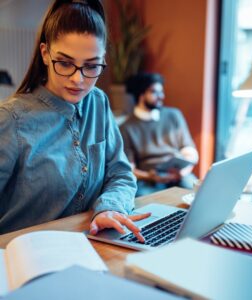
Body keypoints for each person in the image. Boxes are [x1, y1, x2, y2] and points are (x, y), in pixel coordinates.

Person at [0, 0, 150, 240]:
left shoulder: (98, 103)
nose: (78, 79)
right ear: (46, 54)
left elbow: (120, 173)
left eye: (91, 66)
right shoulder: (11, 119)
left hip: (91, 245)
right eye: (65, 63)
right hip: (22, 257)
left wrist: (110, 207)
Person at [120, 72, 199, 196]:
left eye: (161, 92)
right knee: (146, 201)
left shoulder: (174, 115)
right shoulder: (126, 128)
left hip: (178, 174)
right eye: (154, 92)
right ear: (141, 94)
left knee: (196, 194)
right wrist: (150, 177)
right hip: (149, 179)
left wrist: (183, 171)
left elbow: (189, 150)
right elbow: (130, 169)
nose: (161, 96)